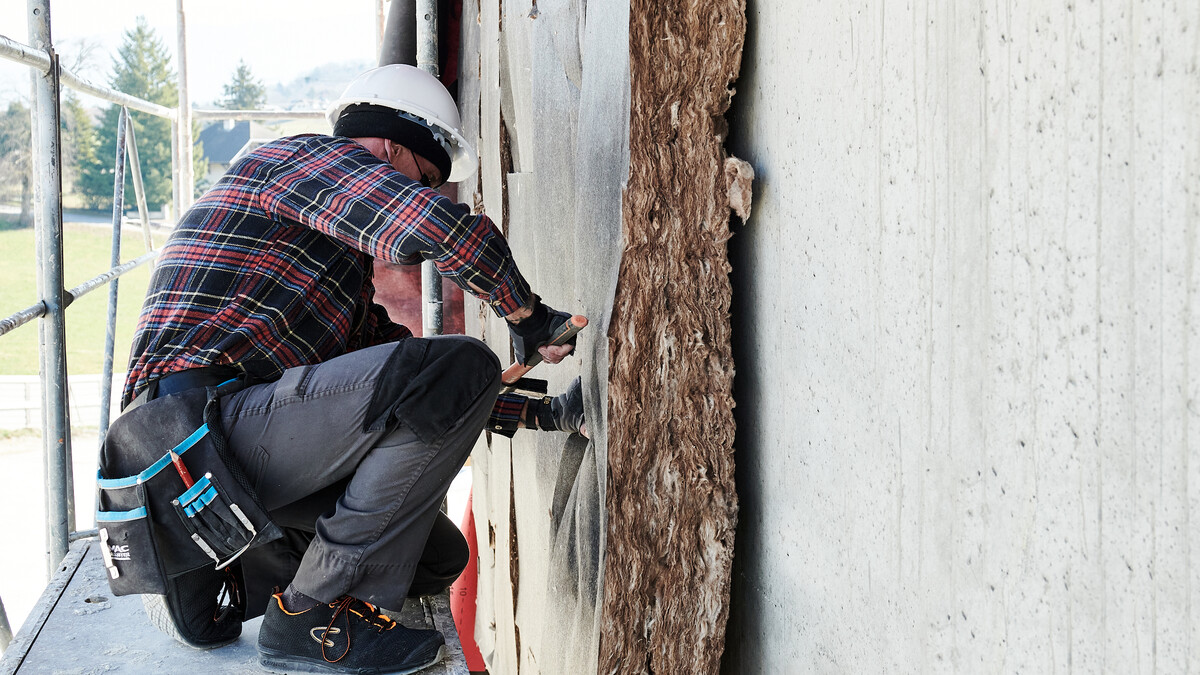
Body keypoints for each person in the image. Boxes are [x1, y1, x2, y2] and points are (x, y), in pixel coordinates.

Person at [120, 64, 584, 674]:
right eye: (423, 178)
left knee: (434, 555)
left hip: (216, 450)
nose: (427, 194)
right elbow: (437, 230)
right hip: (189, 434)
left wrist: (542, 412)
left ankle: (222, 570)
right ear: (392, 145)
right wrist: (529, 315)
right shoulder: (295, 161)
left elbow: (391, 378)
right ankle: (311, 616)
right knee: (460, 361)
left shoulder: (327, 269)